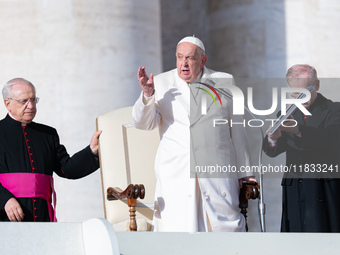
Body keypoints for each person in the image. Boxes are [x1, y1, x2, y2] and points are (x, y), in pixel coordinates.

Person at [132, 36, 255, 232]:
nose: (184, 64)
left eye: (190, 58)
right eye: (180, 57)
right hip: (177, 172)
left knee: (219, 231)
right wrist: (147, 95)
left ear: (203, 61)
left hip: (216, 172)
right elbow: (143, 123)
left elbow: (237, 129)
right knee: (178, 230)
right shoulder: (162, 83)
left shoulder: (224, 81)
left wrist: (246, 173)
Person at [0, 78, 102, 222]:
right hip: (6, 216)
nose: (30, 106)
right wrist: (4, 200)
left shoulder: (47, 134)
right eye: (24, 101)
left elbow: (67, 169)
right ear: (7, 103)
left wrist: (92, 151)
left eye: (33, 100)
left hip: (42, 217)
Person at [263, 64, 340, 232]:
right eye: (296, 93)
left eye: (306, 91)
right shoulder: (286, 113)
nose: (301, 98)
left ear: (317, 85)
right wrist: (272, 138)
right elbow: (271, 151)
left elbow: (331, 139)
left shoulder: (334, 109)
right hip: (295, 191)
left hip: (323, 190)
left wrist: (298, 130)